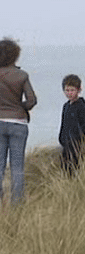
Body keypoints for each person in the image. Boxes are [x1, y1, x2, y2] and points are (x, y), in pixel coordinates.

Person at [0, 38, 37, 206]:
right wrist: (19, 106)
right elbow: (32, 100)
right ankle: (17, 205)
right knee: (17, 167)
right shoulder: (22, 75)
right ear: (15, 55)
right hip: (18, 123)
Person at [58, 74, 85, 174]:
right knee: (65, 166)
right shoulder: (66, 106)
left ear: (78, 90)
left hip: (76, 143)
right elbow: (63, 123)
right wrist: (61, 138)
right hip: (66, 143)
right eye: (67, 90)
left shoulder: (81, 106)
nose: (69, 93)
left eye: (72, 90)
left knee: (76, 166)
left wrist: (79, 136)